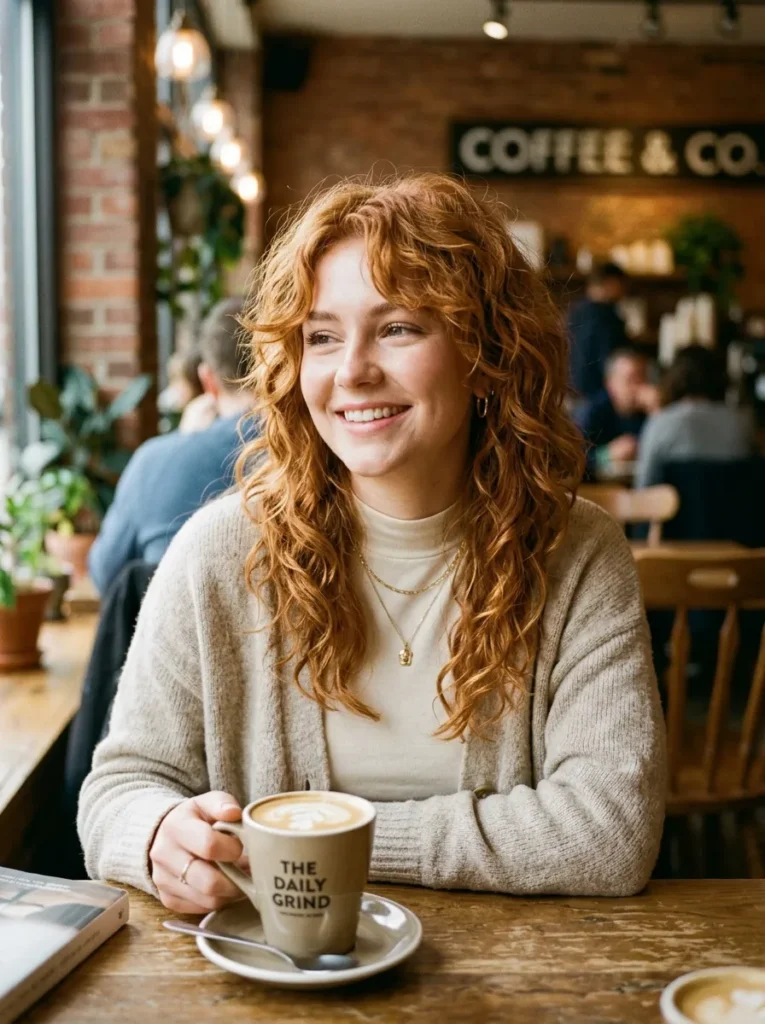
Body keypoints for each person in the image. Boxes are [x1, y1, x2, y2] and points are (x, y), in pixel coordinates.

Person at [78, 173, 665, 912]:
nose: (351, 371)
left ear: (485, 354)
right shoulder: (219, 551)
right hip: (271, 969)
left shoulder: (577, 552)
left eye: (398, 328)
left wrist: (316, 844)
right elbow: (117, 791)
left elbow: (609, 831)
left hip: (512, 969)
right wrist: (157, 833)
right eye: (321, 337)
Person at [87, 297, 253, 595]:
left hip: (175, 623)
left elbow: (105, 575)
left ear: (207, 380)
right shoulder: (322, 453)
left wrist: (182, 443)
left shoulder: (153, 462)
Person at [634, 344, 757, 488]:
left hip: (679, 503)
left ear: (675, 379)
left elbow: (644, 487)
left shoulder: (661, 423)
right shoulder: (743, 423)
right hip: (735, 503)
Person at [576, 348, 659, 479]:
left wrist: (657, 411)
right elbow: (573, 461)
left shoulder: (649, 411)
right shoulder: (592, 411)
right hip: (601, 486)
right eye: (630, 380)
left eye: (642, 378)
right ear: (610, 384)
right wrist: (607, 454)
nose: (637, 387)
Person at [568, 262, 629, 401]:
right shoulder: (605, 315)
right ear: (611, 283)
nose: (623, 292)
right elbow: (609, 357)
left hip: (572, 393)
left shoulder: (575, 311)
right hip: (599, 393)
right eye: (622, 285)